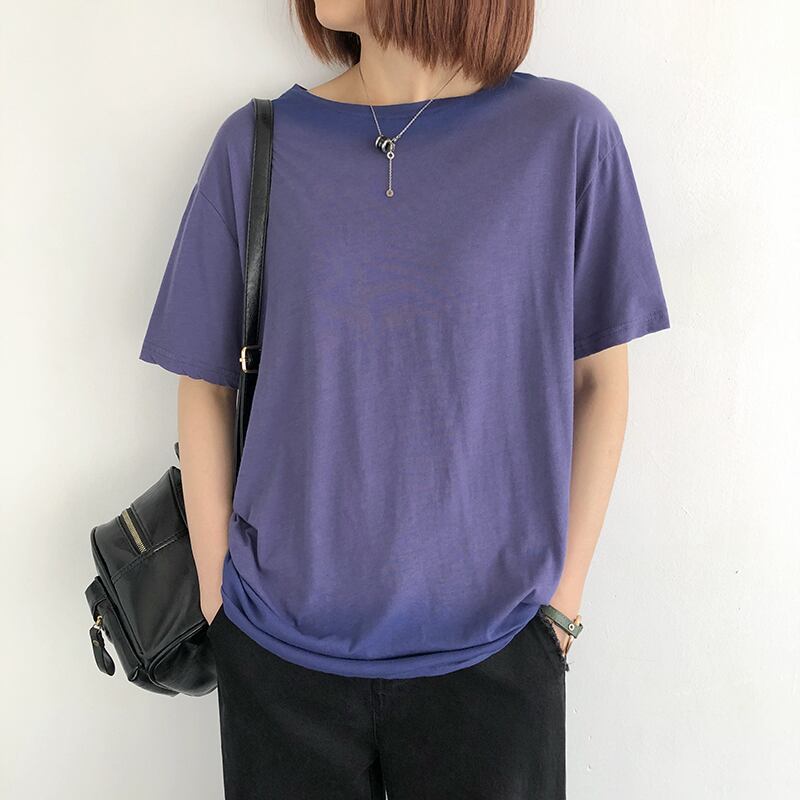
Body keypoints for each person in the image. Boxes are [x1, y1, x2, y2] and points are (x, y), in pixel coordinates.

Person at [138, 1, 670, 796]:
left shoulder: (565, 136)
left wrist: (561, 607)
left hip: (497, 654)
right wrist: (220, 598)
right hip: (278, 654)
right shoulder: (257, 144)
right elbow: (206, 383)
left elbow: (600, 381)